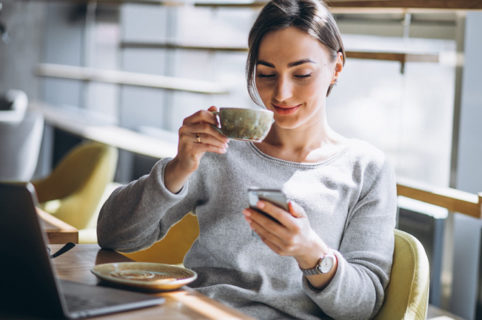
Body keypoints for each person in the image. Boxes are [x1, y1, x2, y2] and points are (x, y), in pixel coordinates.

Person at [97, 0, 397, 319]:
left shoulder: (366, 169)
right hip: (194, 312)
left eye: (302, 74)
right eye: (266, 74)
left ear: (336, 67)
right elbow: (114, 236)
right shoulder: (222, 148)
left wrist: (311, 252)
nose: (281, 93)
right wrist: (177, 168)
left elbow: (363, 307)